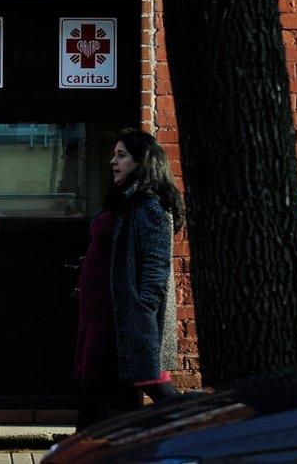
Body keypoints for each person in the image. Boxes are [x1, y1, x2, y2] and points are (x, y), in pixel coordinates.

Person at [74, 128, 185, 429]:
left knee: (149, 382)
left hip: (124, 316)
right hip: (103, 313)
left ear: (141, 162)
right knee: (98, 386)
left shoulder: (149, 206)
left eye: (121, 155)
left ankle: (202, 427)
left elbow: (156, 266)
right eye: (114, 155)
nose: (113, 161)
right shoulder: (125, 201)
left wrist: (142, 310)